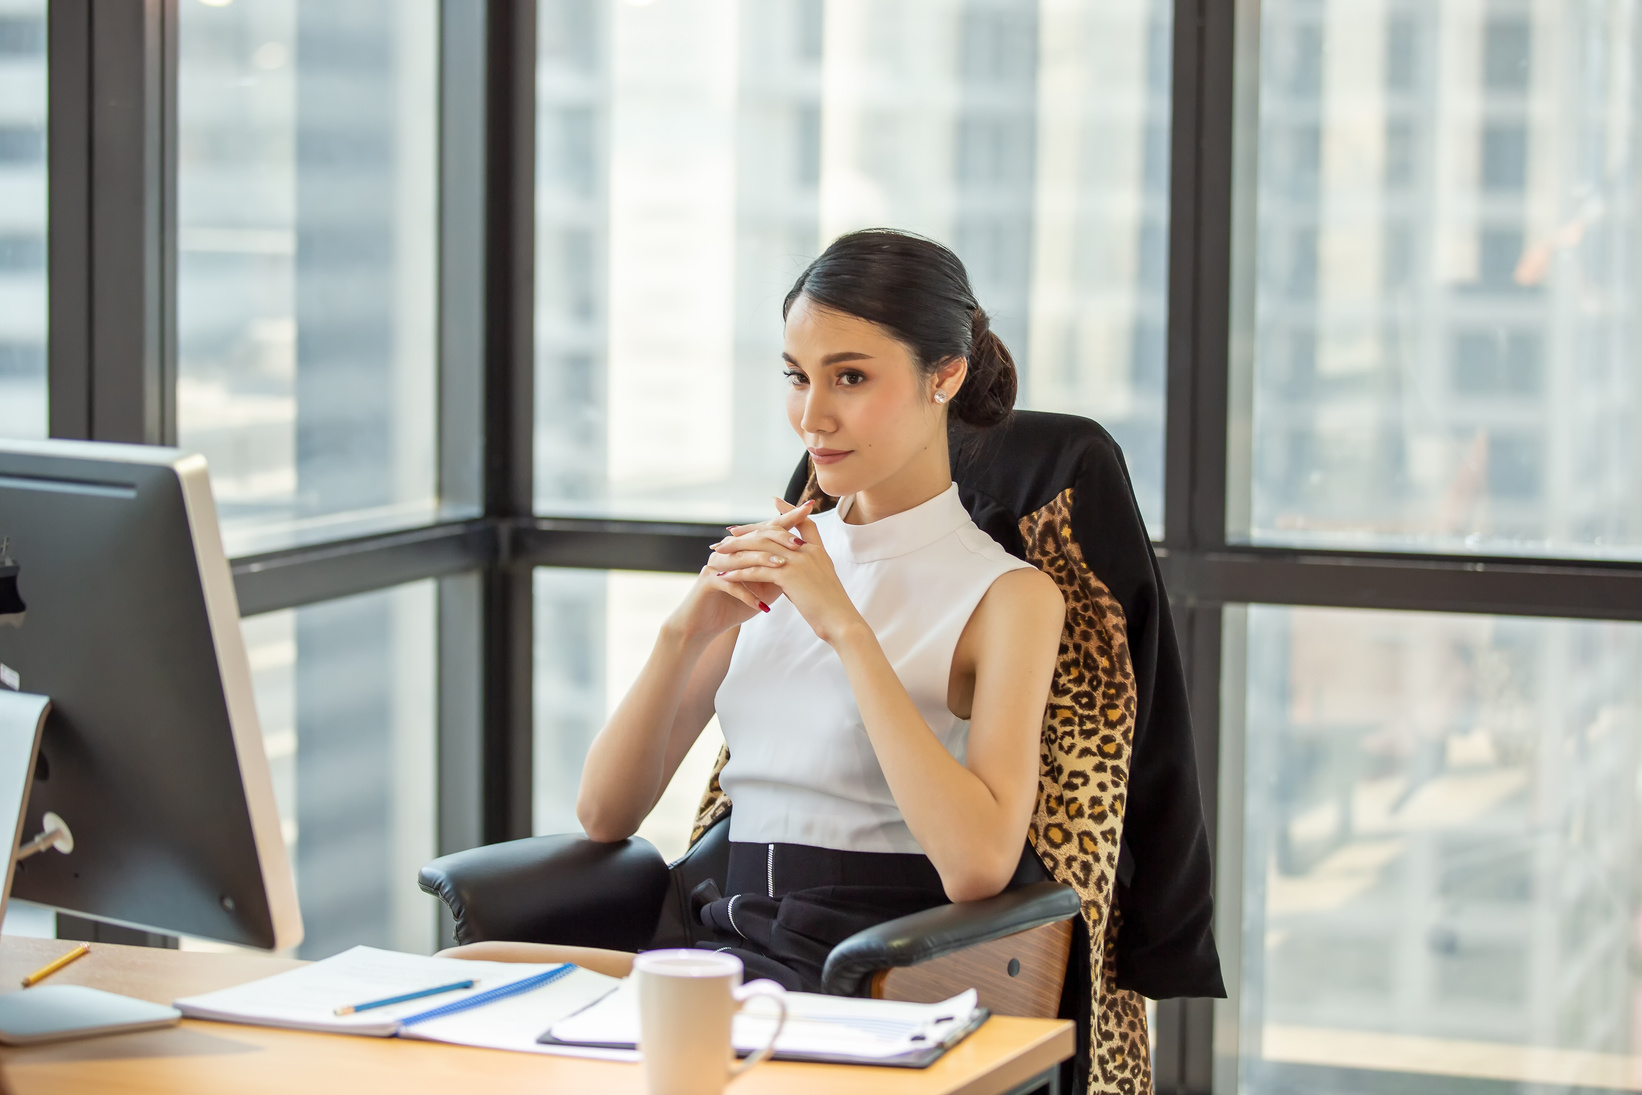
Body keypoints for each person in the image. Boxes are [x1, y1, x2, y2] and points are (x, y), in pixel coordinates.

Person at [445, 229, 1065, 990]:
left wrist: (846, 627)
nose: (813, 418)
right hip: (716, 938)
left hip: (859, 964)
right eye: (797, 376)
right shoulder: (782, 557)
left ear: (945, 376)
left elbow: (978, 866)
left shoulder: (1007, 595)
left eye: (850, 378)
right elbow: (605, 812)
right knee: (462, 979)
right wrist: (685, 630)